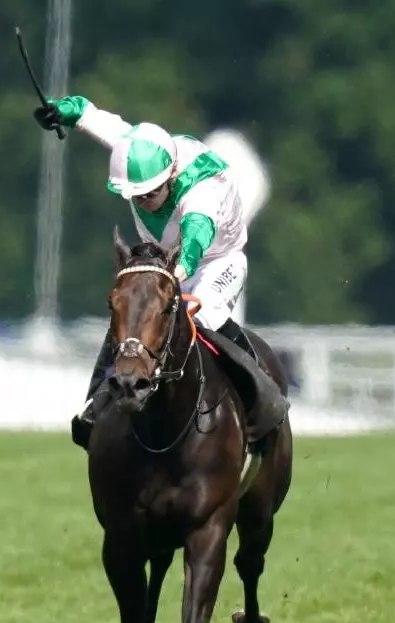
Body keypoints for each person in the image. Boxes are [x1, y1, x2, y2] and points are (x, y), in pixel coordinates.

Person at [32, 94, 255, 446]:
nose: (141, 202)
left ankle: (257, 395)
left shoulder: (201, 196)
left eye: (148, 195)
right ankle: (97, 401)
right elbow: (92, 116)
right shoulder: (138, 150)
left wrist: (178, 273)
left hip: (215, 261)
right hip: (166, 259)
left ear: (169, 177)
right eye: (134, 197)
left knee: (201, 315)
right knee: (134, 310)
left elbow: (196, 236)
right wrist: (63, 111)